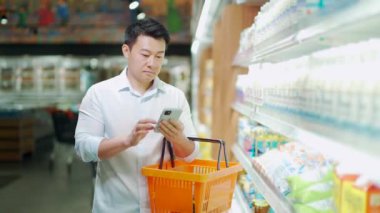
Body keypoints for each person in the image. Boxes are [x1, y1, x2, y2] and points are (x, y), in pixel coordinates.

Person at [75, 18, 199, 213]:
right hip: (114, 206)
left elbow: (191, 154)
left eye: (159, 56)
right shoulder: (99, 93)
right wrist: (126, 141)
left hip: (164, 205)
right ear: (127, 51)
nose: (152, 63)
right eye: (145, 54)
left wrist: (178, 139)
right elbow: (83, 148)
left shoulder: (175, 96)